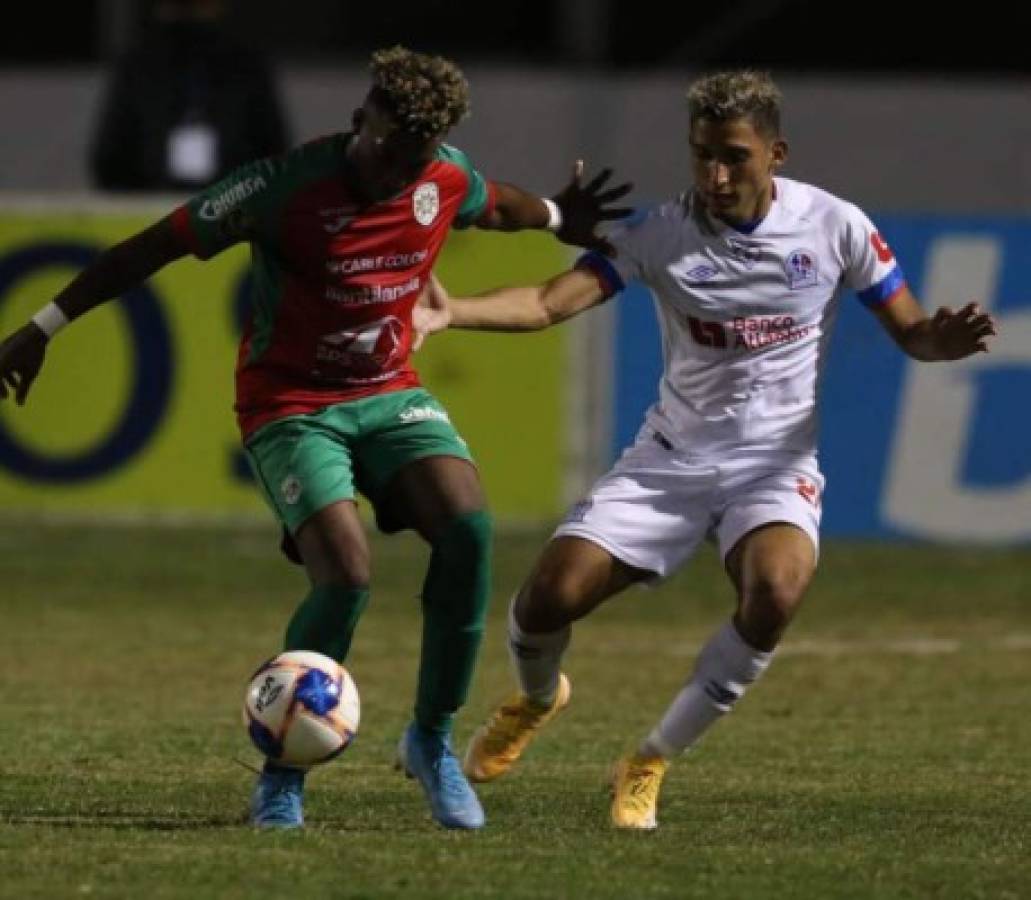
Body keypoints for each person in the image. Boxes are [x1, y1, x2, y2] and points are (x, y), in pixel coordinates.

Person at [0, 45, 630, 830]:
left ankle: (430, 739)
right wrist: (43, 327)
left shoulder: (440, 178)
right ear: (357, 119)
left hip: (388, 391)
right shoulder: (278, 188)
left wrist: (562, 212)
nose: (395, 170)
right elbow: (148, 249)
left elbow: (496, 203)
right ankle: (282, 774)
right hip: (289, 404)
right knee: (346, 575)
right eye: (384, 148)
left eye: (413, 159)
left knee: (467, 528)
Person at [416, 69, 997, 830]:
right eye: (701, 157)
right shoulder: (661, 234)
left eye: (733, 157)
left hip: (775, 467)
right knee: (545, 600)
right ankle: (533, 698)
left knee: (775, 594)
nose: (715, 177)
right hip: (668, 461)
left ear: (774, 154)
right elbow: (550, 302)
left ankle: (647, 761)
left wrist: (936, 342)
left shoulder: (835, 226)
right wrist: (453, 309)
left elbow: (911, 331)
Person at [90, 0, 289, 191]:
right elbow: (110, 159)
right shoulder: (140, 66)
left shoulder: (245, 66)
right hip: (152, 204)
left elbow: (272, 151)